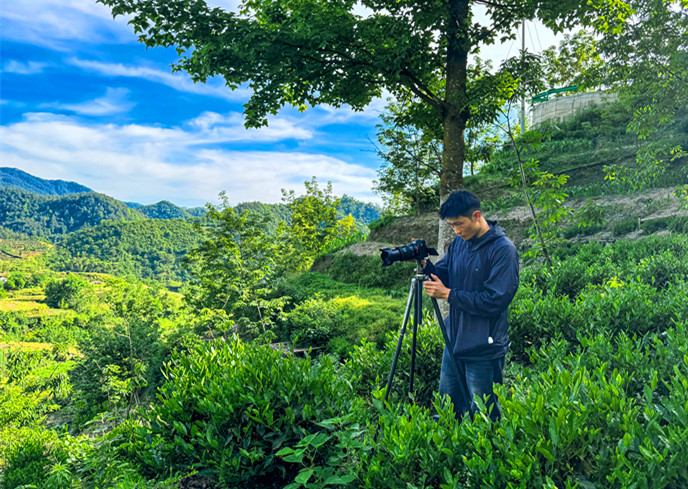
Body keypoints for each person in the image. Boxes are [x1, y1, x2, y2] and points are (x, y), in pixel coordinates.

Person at [422, 190, 519, 421]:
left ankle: (488, 453)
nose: (456, 230)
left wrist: (449, 295)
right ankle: (449, 454)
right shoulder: (459, 244)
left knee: (484, 415)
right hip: (454, 339)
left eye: (459, 224)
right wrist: (424, 264)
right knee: (446, 407)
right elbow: (443, 273)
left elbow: (494, 300)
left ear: (476, 216)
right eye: (452, 225)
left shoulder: (503, 250)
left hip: (484, 347)